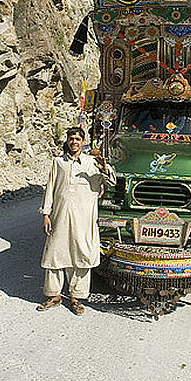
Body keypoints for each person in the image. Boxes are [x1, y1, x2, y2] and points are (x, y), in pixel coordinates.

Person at [37, 127, 116, 315]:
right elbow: (50, 189)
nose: (74, 142)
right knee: (55, 253)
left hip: (84, 218)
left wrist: (105, 168)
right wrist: (46, 214)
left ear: (83, 142)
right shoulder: (58, 163)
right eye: (71, 138)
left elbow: (111, 182)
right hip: (60, 216)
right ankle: (53, 295)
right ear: (67, 141)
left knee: (80, 254)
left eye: (78, 139)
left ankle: (76, 297)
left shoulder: (92, 162)